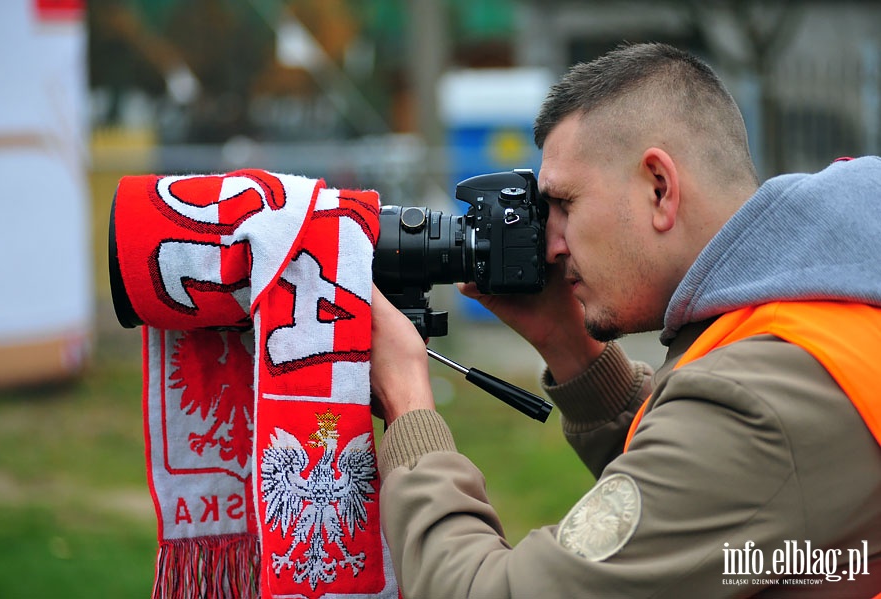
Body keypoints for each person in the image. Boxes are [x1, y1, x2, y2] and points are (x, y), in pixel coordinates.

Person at [368, 42, 881, 598]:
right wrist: (568, 344)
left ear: (659, 188)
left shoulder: (759, 406)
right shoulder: (827, 311)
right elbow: (706, 510)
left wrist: (408, 404)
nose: (552, 245)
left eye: (564, 204)